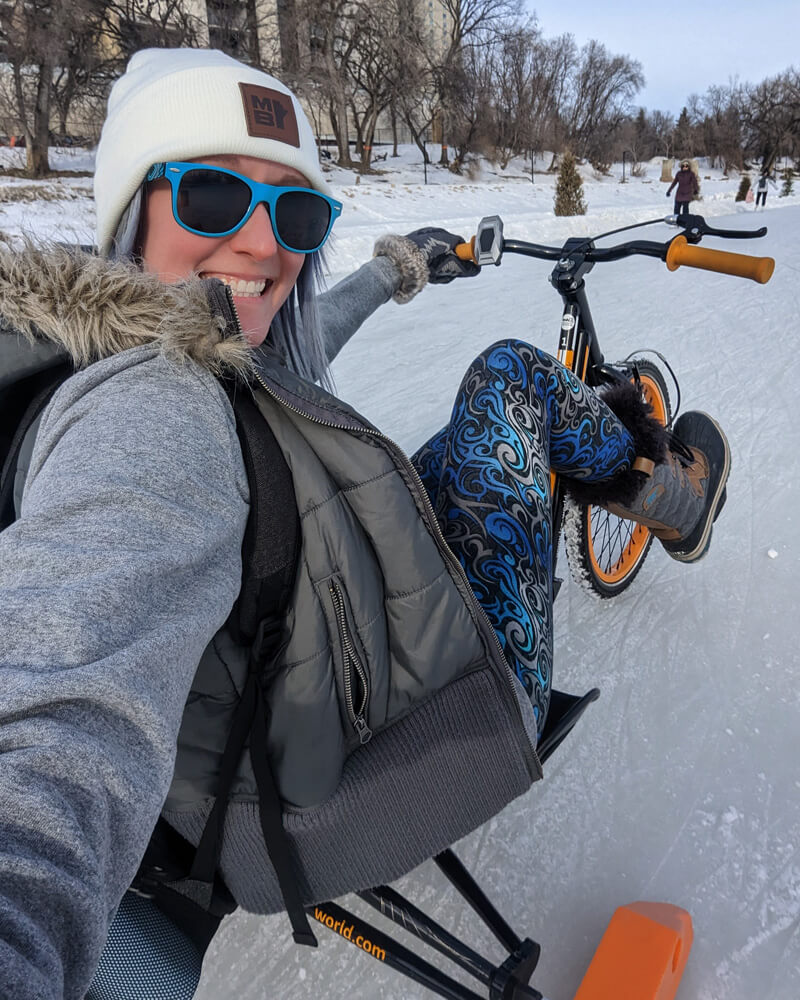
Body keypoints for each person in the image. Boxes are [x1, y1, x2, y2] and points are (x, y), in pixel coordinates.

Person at [0, 48, 731, 1000]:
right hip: (391, 749)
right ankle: (672, 498)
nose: (264, 244)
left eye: (297, 213)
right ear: (132, 207)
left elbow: (280, 333)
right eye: (214, 197)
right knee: (509, 380)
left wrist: (396, 271)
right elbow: (62, 722)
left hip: (271, 723)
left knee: (409, 459)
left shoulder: (81, 357)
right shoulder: (155, 417)